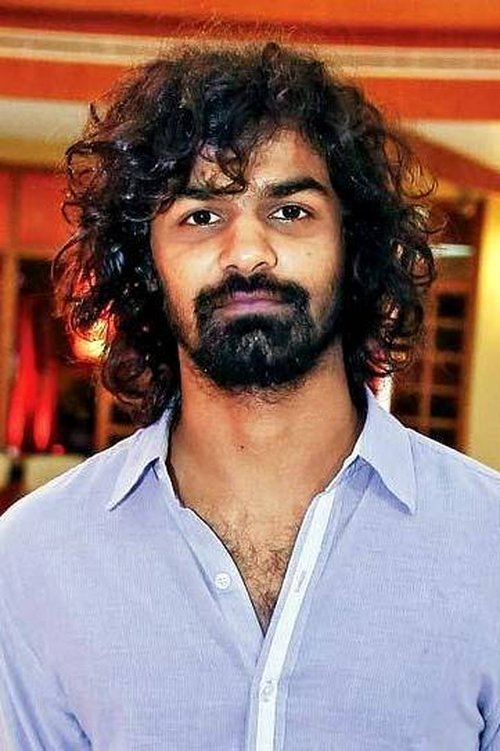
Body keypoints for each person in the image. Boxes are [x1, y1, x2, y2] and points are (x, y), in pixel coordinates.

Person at [0, 40, 499, 751]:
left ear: (353, 247)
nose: (247, 253)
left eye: (290, 210)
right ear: (146, 264)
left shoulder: (488, 541)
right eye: (201, 216)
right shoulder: (36, 556)